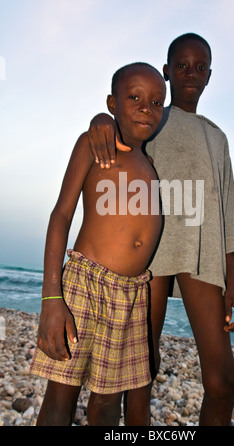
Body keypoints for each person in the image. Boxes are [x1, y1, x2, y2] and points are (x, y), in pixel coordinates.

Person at [87, 33, 234, 426]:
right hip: (151, 256)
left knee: (224, 379)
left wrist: (233, 280)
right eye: (181, 66)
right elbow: (121, 129)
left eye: (199, 67)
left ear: (210, 75)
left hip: (200, 254)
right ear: (167, 72)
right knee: (144, 365)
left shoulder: (216, 136)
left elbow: (225, 209)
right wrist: (100, 120)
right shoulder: (155, 117)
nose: (190, 73)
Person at [30, 62, 166, 426]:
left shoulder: (149, 164)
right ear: (112, 102)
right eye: (134, 97)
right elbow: (61, 215)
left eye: (156, 102)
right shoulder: (95, 143)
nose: (145, 108)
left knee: (107, 404)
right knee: (61, 394)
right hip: (86, 286)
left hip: (130, 295)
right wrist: (51, 299)